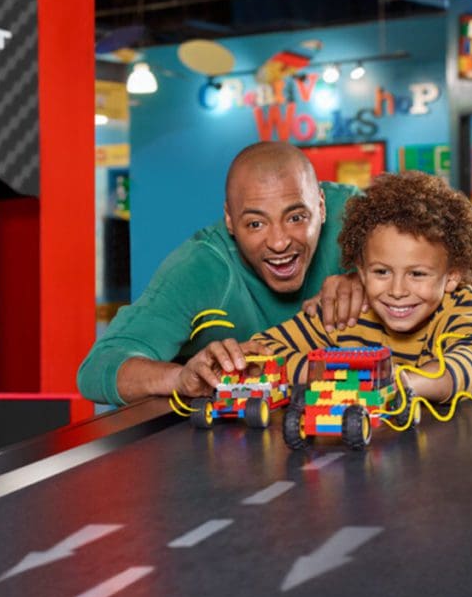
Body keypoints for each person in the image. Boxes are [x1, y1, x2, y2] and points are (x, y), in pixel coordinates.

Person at [76, 141, 363, 406]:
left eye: (296, 218)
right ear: (229, 220)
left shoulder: (354, 218)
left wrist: (369, 278)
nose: (279, 242)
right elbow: (98, 367)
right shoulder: (200, 267)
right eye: (255, 224)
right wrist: (178, 378)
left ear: (322, 207)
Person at [246, 171, 472, 399]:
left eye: (418, 275)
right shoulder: (347, 311)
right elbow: (264, 352)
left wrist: (387, 382)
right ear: (360, 270)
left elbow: (464, 367)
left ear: (452, 276)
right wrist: (340, 374)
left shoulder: (463, 309)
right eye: (382, 272)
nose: (397, 291)